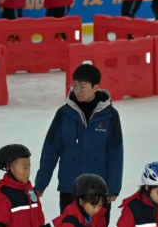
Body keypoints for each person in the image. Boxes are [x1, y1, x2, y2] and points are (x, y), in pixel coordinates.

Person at [34, 64, 124, 218]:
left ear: (95, 87)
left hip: (98, 189)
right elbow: (50, 150)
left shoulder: (110, 116)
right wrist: (40, 184)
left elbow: (115, 153)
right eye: (74, 85)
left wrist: (113, 187)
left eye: (83, 86)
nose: (77, 91)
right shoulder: (63, 114)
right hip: (70, 187)